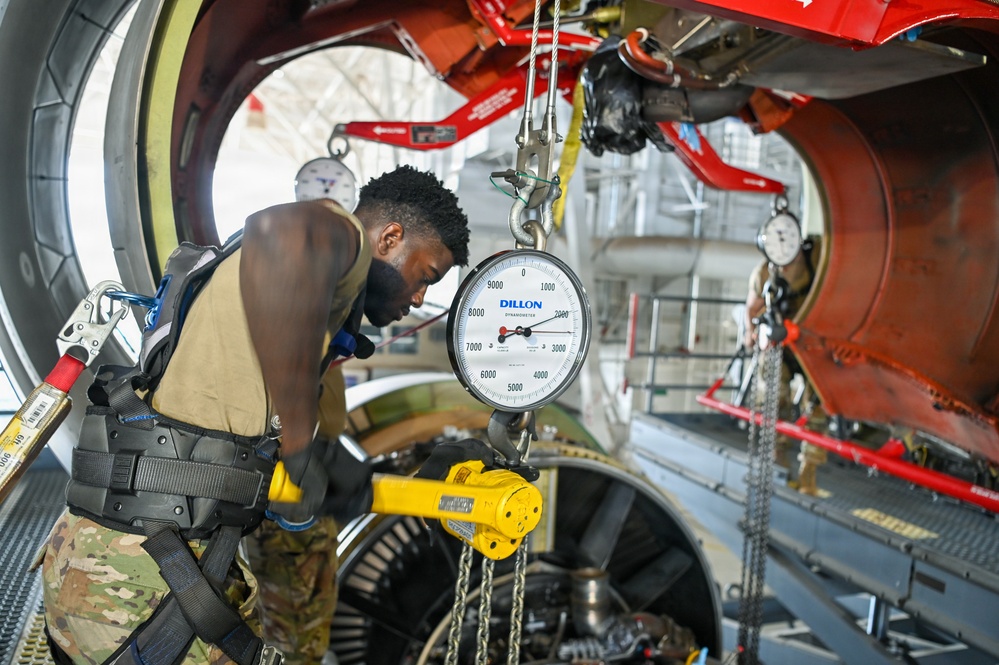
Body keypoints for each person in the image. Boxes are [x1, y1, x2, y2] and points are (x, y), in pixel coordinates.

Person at [39, 165, 470, 664]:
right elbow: (280, 233)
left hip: (108, 562)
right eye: (426, 276)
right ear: (390, 237)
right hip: (142, 582)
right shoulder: (337, 232)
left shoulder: (290, 303)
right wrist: (301, 445)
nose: (419, 298)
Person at [743, 235, 824, 494]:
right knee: (773, 395)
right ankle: (776, 453)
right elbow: (752, 307)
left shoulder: (818, 263)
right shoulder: (764, 272)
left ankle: (809, 469)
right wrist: (750, 333)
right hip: (781, 344)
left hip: (814, 345)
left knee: (817, 406)